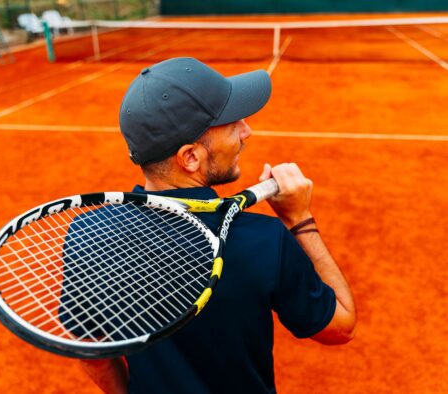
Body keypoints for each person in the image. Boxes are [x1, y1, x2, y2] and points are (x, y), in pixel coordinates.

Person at [80, 57, 356, 394]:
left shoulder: (87, 233)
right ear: (190, 157)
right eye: (231, 124)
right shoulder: (264, 240)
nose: (246, 131)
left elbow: (92, 354)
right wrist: (299, 220)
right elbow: (340, 325)